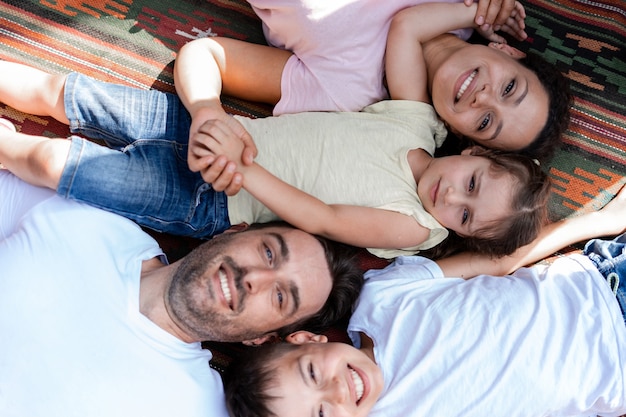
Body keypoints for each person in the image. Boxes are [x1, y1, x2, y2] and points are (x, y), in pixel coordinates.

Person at [0, 60, 549, 260]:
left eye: (466, 216)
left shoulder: (417, 228)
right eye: (472, 183)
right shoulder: (418, 121)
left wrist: (243, 168)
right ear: (474, 150)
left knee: (55, 164)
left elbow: (322, 219)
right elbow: (408, 31)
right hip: (208, 126)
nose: (452, 199)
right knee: (63, 93)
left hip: (214, 197)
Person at [0, 169, 363, 417]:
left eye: (281, 296)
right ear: (232, 232)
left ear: (262, 339)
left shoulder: (199, 405)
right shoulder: (90, 222)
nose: (255, 278)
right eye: (268, 252)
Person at [223, 202, 626, 417]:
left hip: (601, 286)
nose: (336, 390)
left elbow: (496, 263)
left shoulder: (383, 297)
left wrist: (598, 222)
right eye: (322, 416)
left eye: (312, 373)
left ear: (307, 339)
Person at [177, 0, 571, 160]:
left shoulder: (351, 93)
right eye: (509, 88)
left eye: (486, 122)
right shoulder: (469, 4)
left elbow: (210, 56)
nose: (484, 99)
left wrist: (206, 111)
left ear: (462, 135)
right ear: (509, 51)